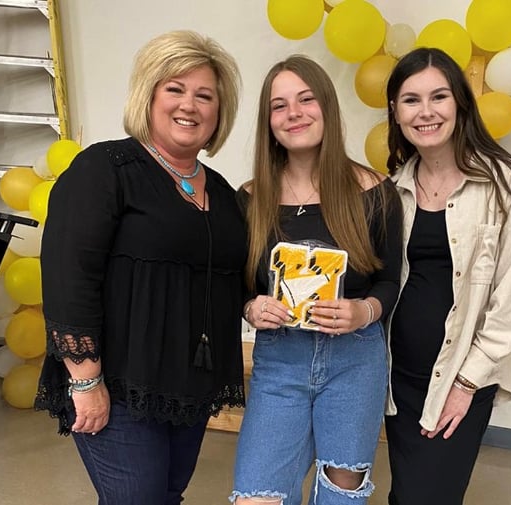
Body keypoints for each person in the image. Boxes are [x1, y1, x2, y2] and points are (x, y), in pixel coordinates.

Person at [33, 30, 247, 505]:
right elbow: (70, 277)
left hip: (186, 389)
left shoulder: (227, 195)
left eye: (204, 95)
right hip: (116, 383)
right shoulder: (106, 168)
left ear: (219, 110)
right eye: (175, 89)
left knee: (167, 494)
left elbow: (240, 278)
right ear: (148, 95)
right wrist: (86, 382)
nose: (189, 104)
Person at [230, 55, 403, 505]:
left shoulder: (375, 191)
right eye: (279, 105)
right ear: (269, 121)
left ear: (327, 105)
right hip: (279, 362)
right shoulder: (249, 199)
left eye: (306, 99)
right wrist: (252, 307)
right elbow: (238, 283)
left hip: (355, 362)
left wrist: (363, 310)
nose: (294, 113)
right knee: (256, 495)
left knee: (342, 492)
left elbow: (389, 281)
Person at [383, 47, 511, 505]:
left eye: (439, 96)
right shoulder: (392, 189)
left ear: (460, 103)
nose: (426, 111)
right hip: (398, 377)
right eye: (411, 100)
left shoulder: (510, 186)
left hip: (459, 378)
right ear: (395, 113)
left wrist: (466, 384)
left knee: (426, 496)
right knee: (406, 491)